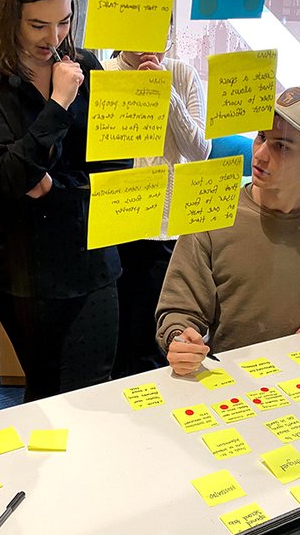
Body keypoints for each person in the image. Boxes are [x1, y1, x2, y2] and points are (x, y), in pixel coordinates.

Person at [0, 0, 131, 402]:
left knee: (95, 394)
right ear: (6, 15)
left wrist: (54, 186)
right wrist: (58, 105)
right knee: (45, 398)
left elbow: (115, 168)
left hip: (92, 259)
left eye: (64, 20)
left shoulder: (87, 67)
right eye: (38, 24)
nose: (53, 37)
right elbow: (11, 179)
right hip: (25, 269)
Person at [156, 86, 300, 375]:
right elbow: (178, 310)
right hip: (233, 378)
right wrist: (180, 338)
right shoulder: (212, 212)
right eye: (261, 137)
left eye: (282, 146)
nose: (260, 154)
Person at [102, 39, 211, 378]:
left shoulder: (182, 73)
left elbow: (200, 151)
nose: (148, 43)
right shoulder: (103, 74)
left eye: (160, 31)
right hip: (116, 219)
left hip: (164, 226)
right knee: (115, 332)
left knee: (154, 332)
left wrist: (167, 93)